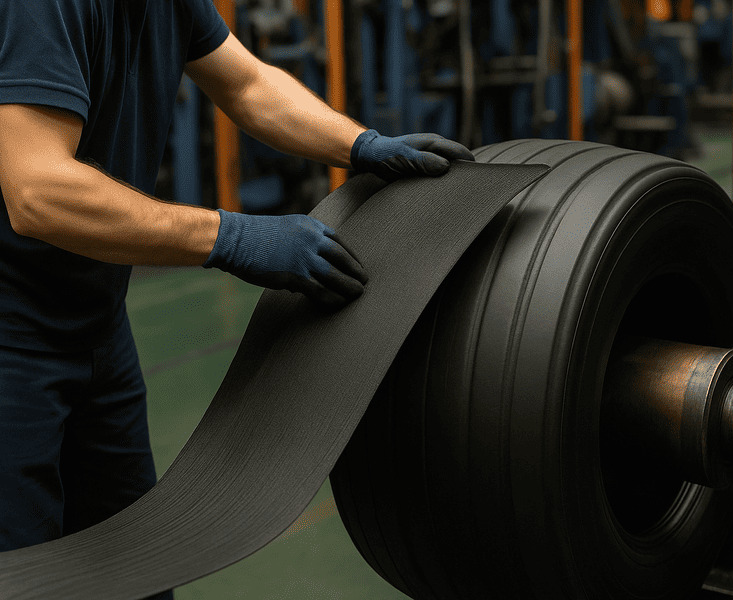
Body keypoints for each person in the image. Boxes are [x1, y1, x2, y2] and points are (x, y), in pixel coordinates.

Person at [0, 0, 473, 594]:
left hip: (95, 324)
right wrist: (231, 235)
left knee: (132, 566)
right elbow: (37, 191)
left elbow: (248, 84)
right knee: (24, 577)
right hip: (11, 341)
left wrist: (360, 144)